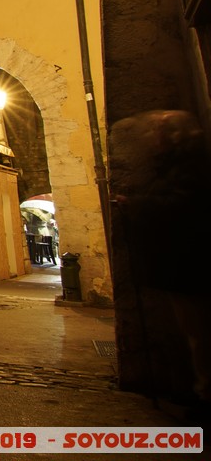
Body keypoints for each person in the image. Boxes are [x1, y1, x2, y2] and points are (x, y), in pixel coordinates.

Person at [109, 109, 211, 412]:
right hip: (184, 264)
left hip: (191, 264)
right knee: (195, 332)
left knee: (201, 333)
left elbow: (182, 207)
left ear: (175, 137)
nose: (153, 138)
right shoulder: (180, 164)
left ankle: (206, 395)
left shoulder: (189, 166)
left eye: (159, 132)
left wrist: (137, 205)